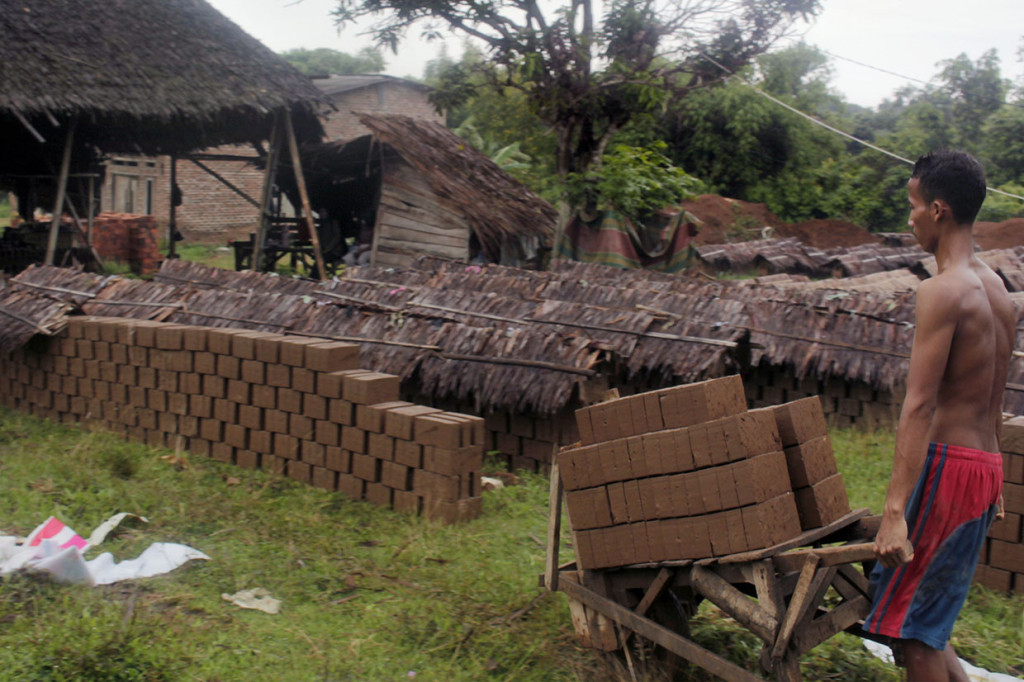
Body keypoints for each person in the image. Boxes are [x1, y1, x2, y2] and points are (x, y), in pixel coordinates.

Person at [865, 150, 1013, 681]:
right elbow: (995, 398)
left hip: (950, 469)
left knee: (915, 638)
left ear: (939, 210)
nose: (910, 218)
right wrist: (996, 485)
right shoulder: (998, 291)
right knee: (931, 621)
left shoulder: (941, 293)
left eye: (913, 205)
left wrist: (894, 511)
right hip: (982, 467)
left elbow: (920, 405)